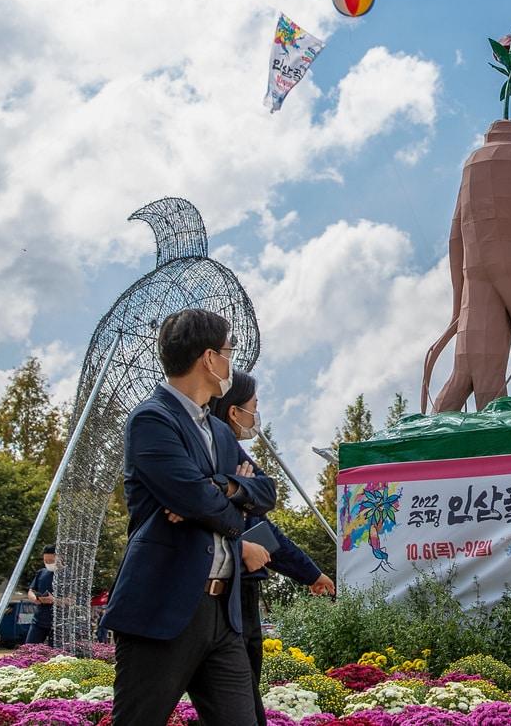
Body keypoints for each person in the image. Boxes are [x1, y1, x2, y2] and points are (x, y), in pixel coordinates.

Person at [101, 309, 278, 726]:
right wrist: (226, 497)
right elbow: (197, 500)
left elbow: (266, 492)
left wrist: (223, 487)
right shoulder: (152, 420)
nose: (231, 362)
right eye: (229, 351)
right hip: (163, 608)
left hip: (223, 612)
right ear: (209, 358)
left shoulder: (217, 430)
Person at [208, 371, 336, 726]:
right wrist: (240, 496)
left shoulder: (229, 453)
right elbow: (254, 523)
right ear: (234, 412)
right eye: (254, 406)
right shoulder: (224, 456)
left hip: (238, 590)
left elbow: (263, 525)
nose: (256, 415)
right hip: (226, 590)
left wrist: (309, 573)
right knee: (239, 693)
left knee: (238, 694)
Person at [25, 546, 58, 645]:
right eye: (45, 561)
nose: (48, 563)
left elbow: (72, 600)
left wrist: (54, 600)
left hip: (59, 622)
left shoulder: (67, 575)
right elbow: (31, 591)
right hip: (39, 619)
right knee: (29, 648)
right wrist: (35, 598)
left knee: (56, 653)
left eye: (51, 561)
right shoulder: (41, 573)